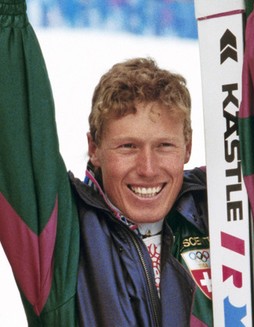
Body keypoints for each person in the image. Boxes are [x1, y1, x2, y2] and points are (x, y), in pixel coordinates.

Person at [0, 3, 213, 325]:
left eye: (164, 146)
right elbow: (18, 134)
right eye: (128, 146)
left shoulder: (222, 209)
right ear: (94, 148)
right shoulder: (61, 236)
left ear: (188, 148)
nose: (148, 168)